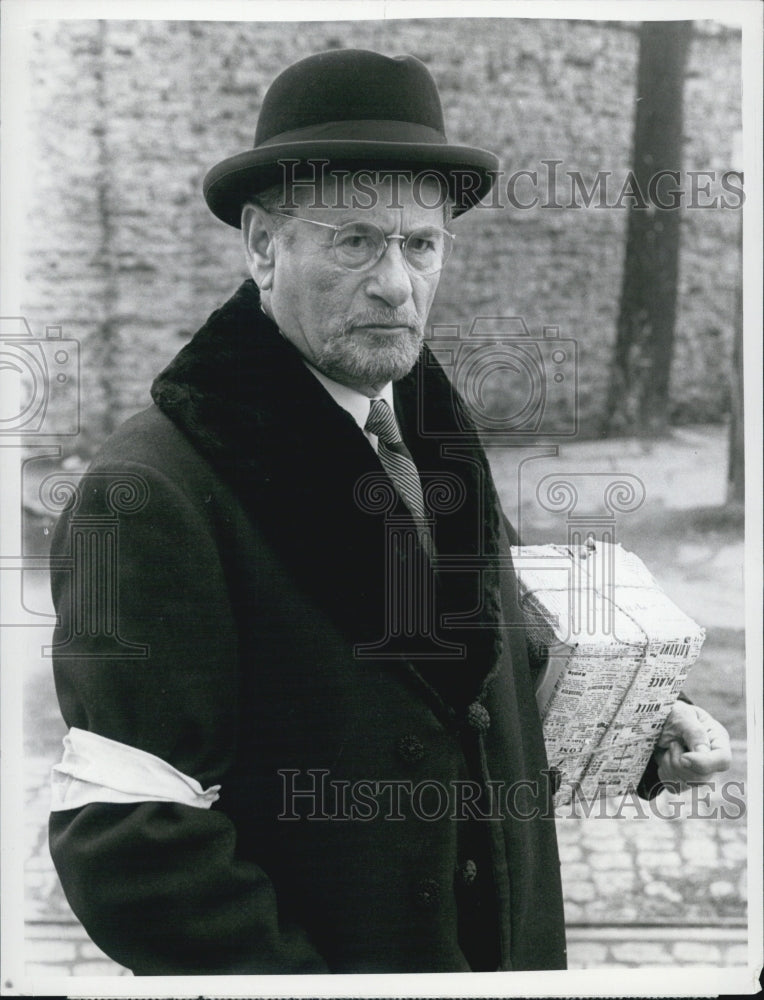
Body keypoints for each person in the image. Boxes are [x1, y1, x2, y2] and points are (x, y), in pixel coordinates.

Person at [47, 48, 731, 975]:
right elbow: (127, 840)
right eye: (355, 240)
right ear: (262, 245)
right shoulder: (149, 494)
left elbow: (496, 648)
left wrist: (651, 727)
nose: (396, 284)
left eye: (421, 244)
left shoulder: (427, 425)